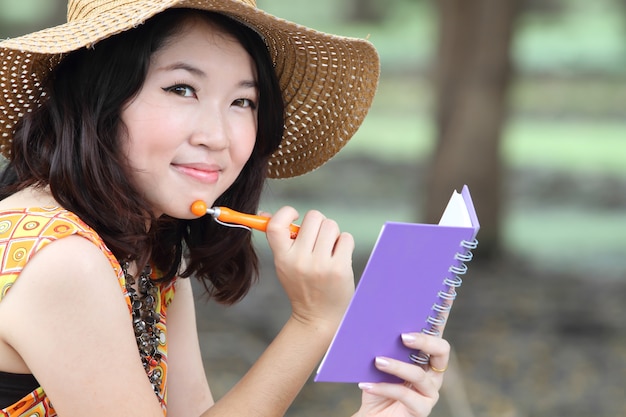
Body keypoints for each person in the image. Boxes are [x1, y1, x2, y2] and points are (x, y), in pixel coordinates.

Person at [0, 1, 451, 416]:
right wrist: (313, 322)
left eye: (242, 102)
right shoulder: (61, 259)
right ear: (95, 98)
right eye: (182, 89)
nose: (216, 136)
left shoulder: (149, 250)